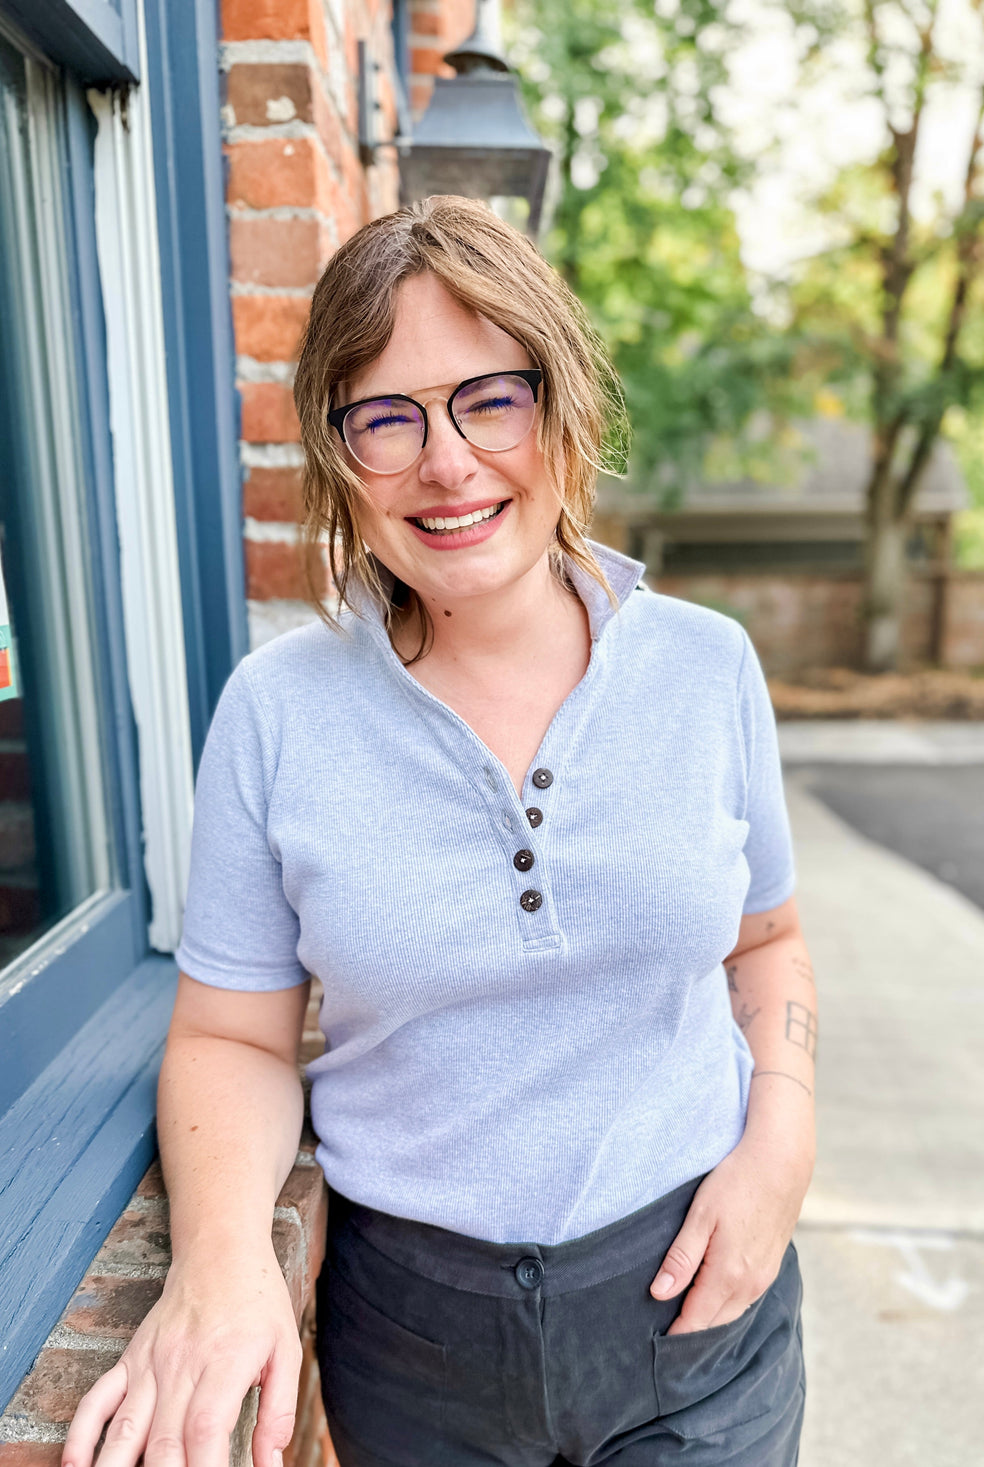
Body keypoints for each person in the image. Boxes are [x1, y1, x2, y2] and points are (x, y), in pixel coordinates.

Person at [62, 194, 817, 1467]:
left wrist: (781, 1139)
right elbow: (230, 1035)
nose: (447, 461)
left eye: (489, 399)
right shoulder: (278, 711)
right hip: (413, 1345)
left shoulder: (705, 668)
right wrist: (221, 1263)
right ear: (337, 456)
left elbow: (768, 940)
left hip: (701, 1314)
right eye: (386, 417)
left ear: (561, 405)